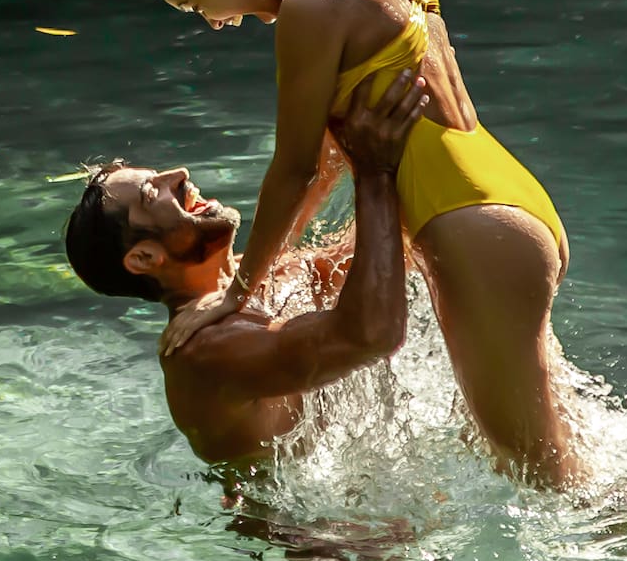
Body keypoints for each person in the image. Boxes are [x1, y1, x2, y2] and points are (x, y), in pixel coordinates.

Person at [121, 0, 582, 488]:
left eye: (197, 5)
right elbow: (334, 154)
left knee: (540, 474)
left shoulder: (309, 5)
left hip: (472, 228)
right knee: (532, 439)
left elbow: (295, 168)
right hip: (502, 195)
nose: (212, 23)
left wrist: (238, 294)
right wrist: (267, 268)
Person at [64, 68, 429, 467]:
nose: (181, 175)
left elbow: (389, 248)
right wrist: (376, 172)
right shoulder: (205, 353)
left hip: (363, 497)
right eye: (154, 193)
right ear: (145, 258)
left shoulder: (255, 277)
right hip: (309, 528)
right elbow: (373, 335)